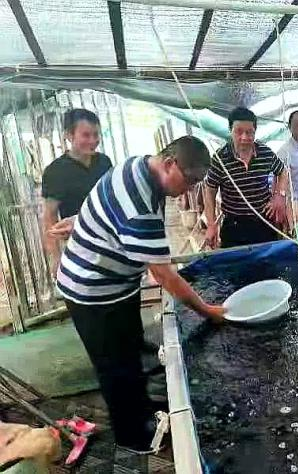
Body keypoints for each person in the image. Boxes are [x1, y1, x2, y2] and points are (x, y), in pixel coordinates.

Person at [55, 136, 224, 452]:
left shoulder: (139, 163)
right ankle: (132, 437)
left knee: (130, 351)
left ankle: (142, 410)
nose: (189, 190)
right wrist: (207, 310)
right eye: (189, 181)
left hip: (116, 284)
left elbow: (109, 207)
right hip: (92, 292)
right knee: (115, 367)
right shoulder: (141, 207)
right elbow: (163, 274)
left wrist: (82, 220)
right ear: (170, 163)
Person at [202, 107, 289, 248]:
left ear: (255, 132)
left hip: (263, 222)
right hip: (234, 226)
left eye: (249, 132)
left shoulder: (265, 153)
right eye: (239, 131)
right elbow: (209, 192)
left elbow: (283, 171)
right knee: (235, 261)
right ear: (230, 131)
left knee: (268, 260)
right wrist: (211, 225)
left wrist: (280, 196)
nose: (244, 137)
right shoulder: (220, 158)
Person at [42, 108, 112, 271]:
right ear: (69, 135)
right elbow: (50, 216)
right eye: (86, 135)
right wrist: (56, 257)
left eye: (96, 135)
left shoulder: (104, 162)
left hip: (110, 243)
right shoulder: (56, 171)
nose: (93, 140)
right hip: (79, 247)